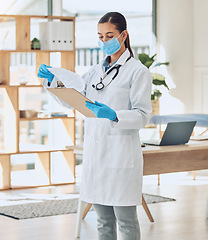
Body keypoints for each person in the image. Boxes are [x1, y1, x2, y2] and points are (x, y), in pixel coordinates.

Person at [38, 12, 152, 240]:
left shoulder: (138, 72)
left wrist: (114, 115)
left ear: (123, 35)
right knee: (102, 221)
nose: (104, 41)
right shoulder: (94, 72)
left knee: (126, 222)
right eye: (100, 36)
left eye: (109, 35)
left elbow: (142, 116)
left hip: (121, 157)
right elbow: (72, 99)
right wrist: (52, 82)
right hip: (96, 157)